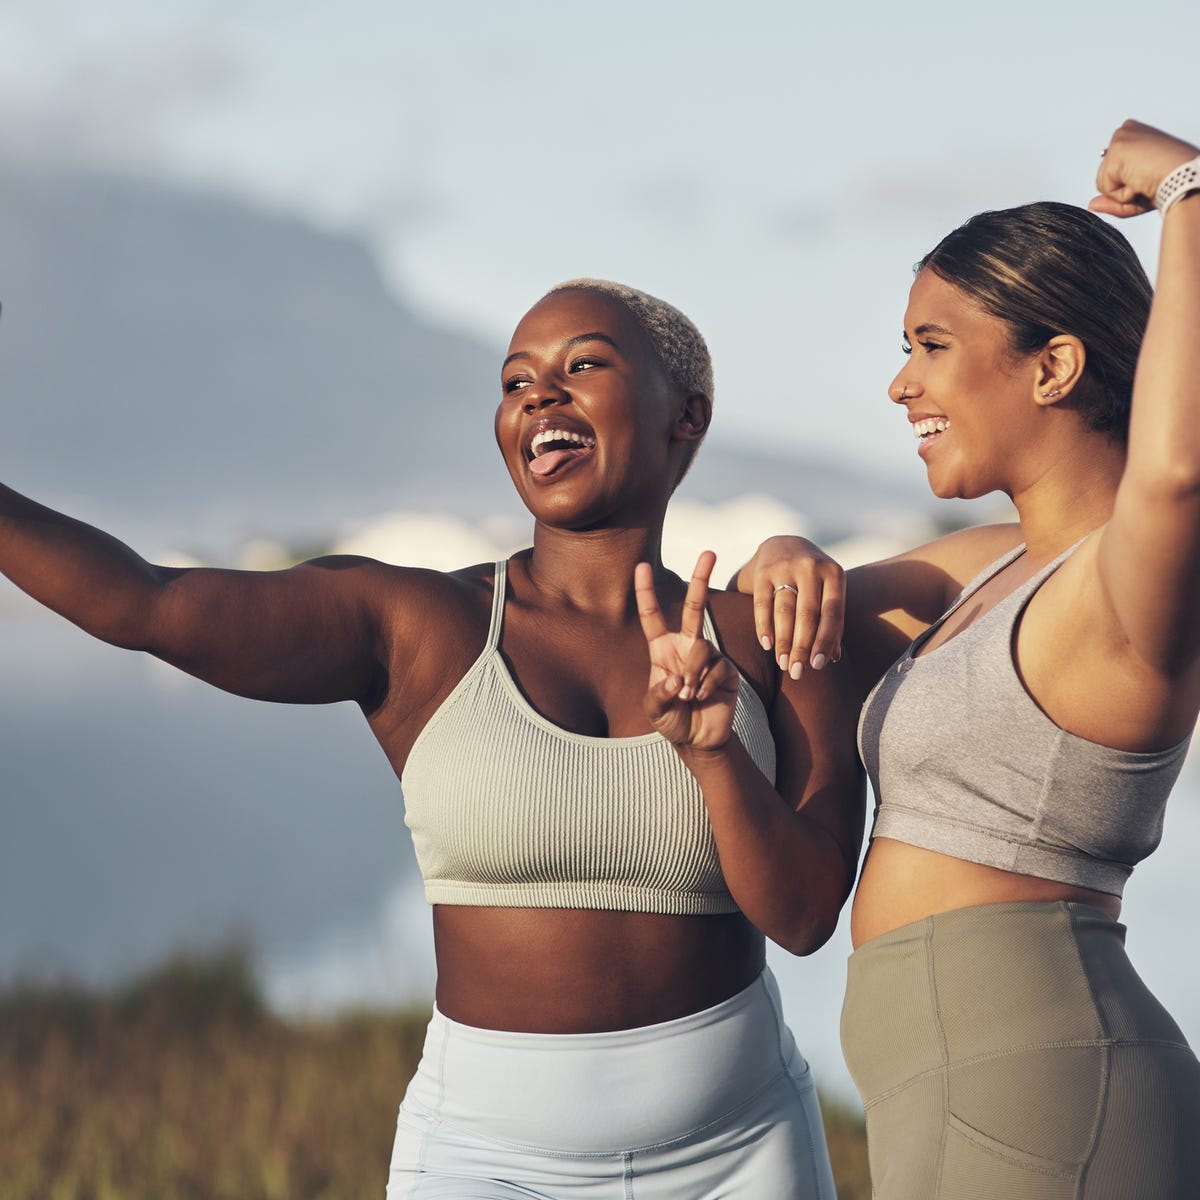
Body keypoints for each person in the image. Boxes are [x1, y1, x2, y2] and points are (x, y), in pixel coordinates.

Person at [0, 277, 865, 1197]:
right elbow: (149, 604)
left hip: (740, 1154)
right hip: (484, 1164)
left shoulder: (777, 635)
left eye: (584, 366)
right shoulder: (420, 625)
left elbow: (808, 919)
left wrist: (715, 754)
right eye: (514, 381)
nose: (540, 395)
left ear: (684, 416)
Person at [737, 119, 1200, 1197]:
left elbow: (1175, 471)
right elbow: (785, 615)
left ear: (1055, 367)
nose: (901, 385)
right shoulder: (990, 567)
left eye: (932, 346)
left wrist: (1189, 187)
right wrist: (784, 548)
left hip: (1046, 1093)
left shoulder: (1133, 587)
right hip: (964, 1088)